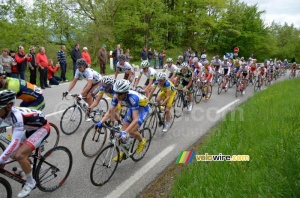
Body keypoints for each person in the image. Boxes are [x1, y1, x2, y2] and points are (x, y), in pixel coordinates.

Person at [0, 90, 50, 198]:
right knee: (13, 154)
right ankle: (29, 166)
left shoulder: (17, 117)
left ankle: (31, 182)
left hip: (41, 128)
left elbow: (15, 142)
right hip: (28, 127)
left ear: (8, 106)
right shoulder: (3, 112)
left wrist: (2, 159)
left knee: (19, 155)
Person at [109, 79, 149, 162]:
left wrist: (125, 132)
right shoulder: (116, 96)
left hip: (143, 109)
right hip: (132, 108)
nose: (118, 96)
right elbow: (111, 110)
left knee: (131, 131)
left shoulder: (132, 98)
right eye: (116, 92)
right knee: (123, 131)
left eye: (120, 94)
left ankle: (142, 141)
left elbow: (135, 119)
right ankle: (123, 152)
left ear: (126, 92)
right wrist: (113, 123)